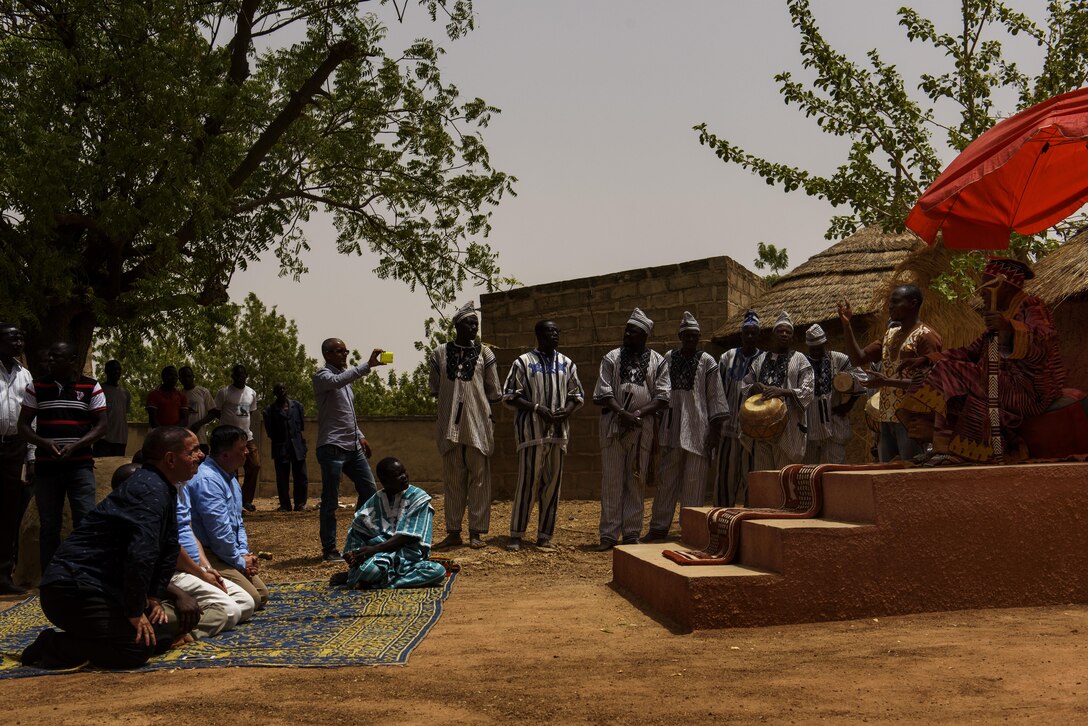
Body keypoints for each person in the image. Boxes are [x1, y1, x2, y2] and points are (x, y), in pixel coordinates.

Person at [20, 426, 204, 670]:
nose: (201, 456)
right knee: (135, 648)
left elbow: (169, 547)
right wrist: (135, 610)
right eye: (194, 451)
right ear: (170, 459)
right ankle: (52, 644)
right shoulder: (149, 490)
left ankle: (98, 634)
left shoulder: (162, 486)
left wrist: (153, 597)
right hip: (71, 591)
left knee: (159, 637)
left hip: (104, 588)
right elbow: (141, 554)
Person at [901, 257, 1065, 465]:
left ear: (1003, 286)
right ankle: (949, 445)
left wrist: (1008, 327)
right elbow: (971, 351)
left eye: (986, 287)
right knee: (934, 371)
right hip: (1000, 384)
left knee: (952, 373)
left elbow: (1044, 341)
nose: (981, 293)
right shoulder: (1000, 317)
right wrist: (926, 359)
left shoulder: (1031, 307)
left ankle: (945, 447)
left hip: (1029, 390)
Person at [112, 461, 255, 642]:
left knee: (246, 601)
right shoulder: (130, 520)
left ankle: (175, 616)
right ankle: (174, 631)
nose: (199, 456)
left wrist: (205, 568)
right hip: (163, 583)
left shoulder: (172, 494)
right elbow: (143, 573)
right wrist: (180, 593)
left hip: (174, 577)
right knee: (229, 610)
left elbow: (187, 533)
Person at [18, 341, 107, 572]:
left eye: (56, 357)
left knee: (85, 521)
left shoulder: (92, 387)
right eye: (50, 357)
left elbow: (101, 425)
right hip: (48, 468)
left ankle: (83, 572)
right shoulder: (35, 387)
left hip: (80, 467)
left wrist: (77, 445)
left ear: (72, 360)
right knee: (49, 526)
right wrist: (43, 443)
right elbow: (24, 425)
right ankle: (51, 576)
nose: (50, 361)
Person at [501, 319, 584, 552]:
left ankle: (545, 535)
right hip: (532, 433)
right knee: (527, 483)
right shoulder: (523, 362)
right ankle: (516, 534)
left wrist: (565, 411)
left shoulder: (567, 364)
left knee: (552, 486)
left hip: (558, 433)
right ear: (538, 334)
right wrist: (537, 408)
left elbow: (576, 394)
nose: (555, 335)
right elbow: (510, 395)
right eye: (550, 331)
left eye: (557, 331)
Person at [592, 308, 670, 551]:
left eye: (633, 332)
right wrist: (622, 413)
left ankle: (632, 533)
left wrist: (637, 414)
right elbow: (603, 392)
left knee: (635, 481)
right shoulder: (611, 358)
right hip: (614, 427)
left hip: (642, 427)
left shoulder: (658, 361)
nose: (627, 335)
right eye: (626, 330)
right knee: (612, 481)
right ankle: (608, 535)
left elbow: (663, 397)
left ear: (644, 335)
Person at [645, 312, 726, 542]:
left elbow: (716, 398)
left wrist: (715, 431)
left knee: (694, 484)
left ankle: (690, 529)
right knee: (666, 481)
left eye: (695, 336)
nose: (691, 340)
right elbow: (661, 390)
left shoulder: (708, 361)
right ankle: (659, 527)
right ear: (680, 336)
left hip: (699, 430)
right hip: (671, 429)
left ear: (699, 337)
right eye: (687, 336)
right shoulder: (669, 358)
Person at [838, 285, 943, 462]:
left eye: (895, 302)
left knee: (911, 473)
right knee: (887, 476)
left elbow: (931, 383)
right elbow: (858, 358)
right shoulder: (890, 335)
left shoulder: (926, 336)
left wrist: (888, 382)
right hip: (886, 417)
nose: (890, 306)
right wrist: (847, 326)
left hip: (911, 420)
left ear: (913, 303)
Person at [429, 302, 502, 551]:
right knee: (453, 480)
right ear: (457, 325)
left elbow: (494, 391)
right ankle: (453, 531)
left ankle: (476, 532)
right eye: (469, 323)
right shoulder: (439, 353)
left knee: (479, 479)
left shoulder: (486, 354)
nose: (474, 328)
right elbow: (436, 388)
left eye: (476, 324)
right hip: (449, 426)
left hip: (477, 424)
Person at [312, 339, 386, 561]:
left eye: (346, 351)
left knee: (369, 490)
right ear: (327, 354)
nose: (344, 355)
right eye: (339, 351)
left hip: (352, 446)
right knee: (331, 500)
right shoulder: (323, 377)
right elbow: (336, 380)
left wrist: (360, 436)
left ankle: (358, 534)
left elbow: (347, 413)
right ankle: (330, 548)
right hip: (332, 446)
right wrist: (367, 366)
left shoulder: (346, 380)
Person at [186, 425, 268, 609]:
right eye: (241, 449)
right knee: (252, 599)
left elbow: (237, 522)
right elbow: (218, 532)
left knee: (261, 595)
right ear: (224, 455)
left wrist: (243, 554)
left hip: (225, 552)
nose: (246, 452)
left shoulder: (229, 477)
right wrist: (239, 561)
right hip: (209, 553)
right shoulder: (208, 481)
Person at [334, 457, 446, 590]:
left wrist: (375, 549)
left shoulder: (418, 497)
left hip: (408, 557)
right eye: (398, 475)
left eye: (404, 472)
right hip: (379, 557)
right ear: (385, 481)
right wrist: (352, 554)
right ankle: (368, 577)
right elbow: (357, 530)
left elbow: (408, 535)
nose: (404, 477)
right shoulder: (375, 501)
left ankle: (376, 582)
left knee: (438, 572)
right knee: (371, 570)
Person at [741, 311, 814, 470]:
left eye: (788, 332)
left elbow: (808, 390)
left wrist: (782, 391)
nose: (784, 334)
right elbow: (744, 385)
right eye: (780, 331)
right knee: (765, 477)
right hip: (761, 428)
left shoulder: (800, 359)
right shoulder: (760, 359)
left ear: (792, 337)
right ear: (773, 335)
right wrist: (754, 387)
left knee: (785, 477)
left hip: (788, 429)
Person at [715, 310, 762, 507]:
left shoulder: (764, 360)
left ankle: (748, 520)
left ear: (758, 335)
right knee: (725, 477)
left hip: (751, 432)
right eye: (746, 333)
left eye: (753, 333)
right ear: (741, 334)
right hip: (728, 428)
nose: (750, 336)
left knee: (750, 477)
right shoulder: (727, 357)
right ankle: (722, 519)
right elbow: (717, 390)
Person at [0, 323, 33, 595]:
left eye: (21, 337)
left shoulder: (25, 374)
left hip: (14, 449)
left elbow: (33, 417)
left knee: (8, 513)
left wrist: (31, 454)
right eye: (13, 337)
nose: (19, 342)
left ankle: (3, 575)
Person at [803, 324, 861, 464]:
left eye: (820, 347)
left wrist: (848, 404)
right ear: (808, 347)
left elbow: (862, 378)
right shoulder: (802, 362)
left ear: (825, 343)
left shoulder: (838, 359)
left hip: (834, 426)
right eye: (813, 348)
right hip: (810, 427)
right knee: (808, 473)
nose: (817, 351)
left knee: (835, 471)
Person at [213, 364, 260, 511]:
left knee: (255, 464)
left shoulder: (252, 393)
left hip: (246, 436)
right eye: (237, 375)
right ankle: (233, 499)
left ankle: (246, 500)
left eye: (242, 375)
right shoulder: (224, 393)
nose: (240, 377)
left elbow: (250, 413)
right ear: (233, 376)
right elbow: (216, 412)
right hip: (229, 439)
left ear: (246, 375)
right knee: (232, 469)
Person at [263, 382, 309, 512]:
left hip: (297, 447)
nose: (282, 391)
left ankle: (300, 504)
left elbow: (301, 427)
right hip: (281, 448)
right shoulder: (269, 411)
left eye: (284, 388)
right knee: (282, 478)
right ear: (275, 393)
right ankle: (285, 505)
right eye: (278, 389)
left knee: (301, 476)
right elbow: (270, 431)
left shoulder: (297, 406)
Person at [95, 359, 131, 457]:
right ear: (106, 371)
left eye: (119, 369)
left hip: (120, 440)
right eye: (113, 369)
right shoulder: (99, 390)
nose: (117, 372)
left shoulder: (125, 393)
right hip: (103, 440)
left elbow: (123, 416)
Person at [179, 366, 216, 451]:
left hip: (200, 439)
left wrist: (198, 424)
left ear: (193, 376)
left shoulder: (203, 392)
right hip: (184, 440)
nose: (186, 379)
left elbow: (213, 412)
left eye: (188, 376)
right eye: (183, 377)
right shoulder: (179, 395)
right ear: (180, 379)